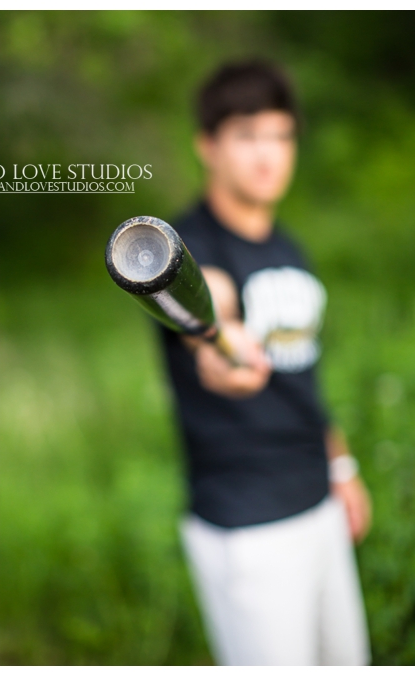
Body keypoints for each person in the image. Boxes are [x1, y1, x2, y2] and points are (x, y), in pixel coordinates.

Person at [158, 62, 372, 665]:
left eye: (281, 136)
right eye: (248, 135)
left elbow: (301, 373)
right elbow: (214, 323)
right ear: (208, 146)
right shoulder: (183, 251)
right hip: (248, 524)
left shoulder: (288, 247)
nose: (269, 154)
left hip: (319, 501)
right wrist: (227, 353)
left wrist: (343, 465)